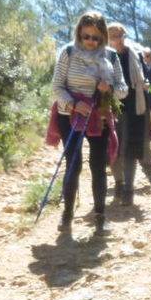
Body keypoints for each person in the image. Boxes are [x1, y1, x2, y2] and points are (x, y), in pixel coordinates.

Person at [50, 12, 128, 233]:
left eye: (96, 37)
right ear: (79, 34)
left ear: (103, 36)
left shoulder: (111, 57)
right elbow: (56, 87)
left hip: (100, 115)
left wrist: (110, 88)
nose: (91, 42)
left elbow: (123, 90)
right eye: (86, 36)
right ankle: (67, 216)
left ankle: (100, 216)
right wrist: (74, 103)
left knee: (98, 166)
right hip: (69, 115)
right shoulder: (67, 53)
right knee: (73, 164)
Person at [106, 23, 151, 206]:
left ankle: (128, 189)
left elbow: (147, 76)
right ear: (107, 38)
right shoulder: (105, 56)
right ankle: (118, 183)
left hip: (134, 108)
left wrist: (146, 84)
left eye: (121, 35)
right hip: (111, 108)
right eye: (114, 36)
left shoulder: (135, 55)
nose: (118, 39)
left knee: (131, 148)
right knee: (114, 149)